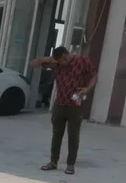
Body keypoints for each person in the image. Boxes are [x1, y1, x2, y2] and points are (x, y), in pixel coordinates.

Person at [29, 46, 97, 175]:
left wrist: (87, 89)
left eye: (63, 60)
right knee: (56, 134)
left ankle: (70, 164)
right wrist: (50, 59)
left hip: (75, 104)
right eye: (59, 62)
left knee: (73, 135)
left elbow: (94, 74)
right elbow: (32, 64)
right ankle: (53, 161)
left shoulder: (83, 61)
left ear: (67, 55)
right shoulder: (56, 64)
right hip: (60, 103)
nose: (62, 64)